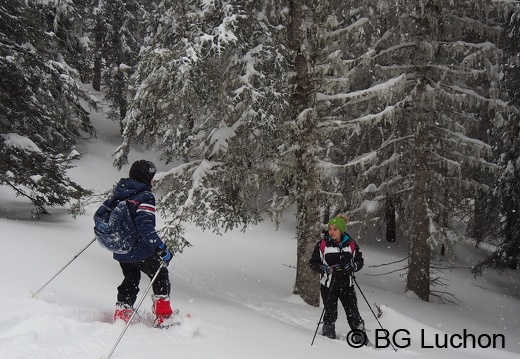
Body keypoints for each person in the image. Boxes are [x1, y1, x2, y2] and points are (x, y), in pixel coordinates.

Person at [101, 159, 173, 328]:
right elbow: (145, 226)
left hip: (121, 249)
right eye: (151, 176)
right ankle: (163, 317)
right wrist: (161, 248)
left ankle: (123, 311)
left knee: (131, 277)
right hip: (139, 249)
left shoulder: (120, 192)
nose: (153, 180)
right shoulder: (145, 196)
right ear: (145, 176)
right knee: (160, 274)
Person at [309, 214, 366, 342]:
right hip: (329, 285)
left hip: (347, 284)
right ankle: (328, 337)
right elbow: (313, 263)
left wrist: (352, 267)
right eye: (330, 229)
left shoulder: (351, 244)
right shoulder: (322, 245)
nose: (332, 232)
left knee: (353, 313)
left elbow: (360, 261)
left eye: (335, 229)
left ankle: (359, 337)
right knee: (330, 312)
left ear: (341, 230)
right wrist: (327, 269)